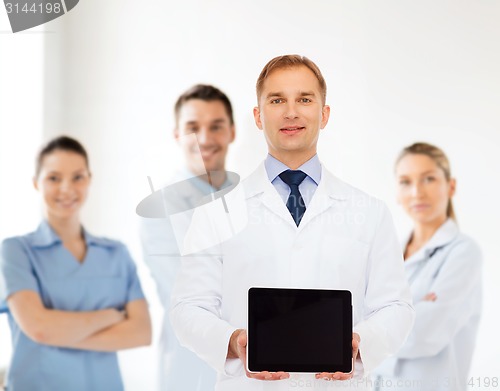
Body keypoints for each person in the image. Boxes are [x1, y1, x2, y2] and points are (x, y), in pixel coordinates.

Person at [170, 55, 415, 390]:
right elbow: (187, 308)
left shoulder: (369, 212)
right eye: (276, 100)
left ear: (324, 114)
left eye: (304, 99)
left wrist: (361, 342)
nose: (291, 112)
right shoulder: (216, 213)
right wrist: (232, 340)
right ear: (258, 116)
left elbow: (397, 307)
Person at [0, 136, 151, 391]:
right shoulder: (16, 251)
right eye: (54, 178)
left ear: (89, 180)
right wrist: (109, 317)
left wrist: (57, 332)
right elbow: (39, 329)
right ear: (36, 183)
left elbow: (141, 332)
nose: (67, 188)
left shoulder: (117, 253)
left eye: (78, 177)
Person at [139, 84, 236, 391]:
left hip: (249, 367)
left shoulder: (249, 200)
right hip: (190, 370)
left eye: (216, 126)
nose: (204, 138)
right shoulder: (160, 208)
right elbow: (190, 295)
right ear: (177, 135)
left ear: (232, 132)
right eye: (193, 127)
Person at [373, 142, 482, 391]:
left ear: (450, 186)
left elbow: (424, 333)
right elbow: (356, 321)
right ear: (397, 194)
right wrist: (414, 309)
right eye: (405, 182)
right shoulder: (387, 254)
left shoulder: (463, 253)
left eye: (428, 179)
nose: (416, 192)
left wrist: (371, 328)